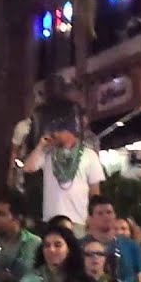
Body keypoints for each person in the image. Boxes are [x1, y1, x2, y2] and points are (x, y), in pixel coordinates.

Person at [24, 97, 105, 235]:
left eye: (54, 131)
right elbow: (28, 168)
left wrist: (94, 220)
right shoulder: (48, 154)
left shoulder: (89, 155)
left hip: (79, 223)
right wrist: (41, 145)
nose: (51, 134)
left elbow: (95, 193)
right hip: (51, 221)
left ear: (67, 130)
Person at [84, 196, 141, 282]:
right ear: (90, 218)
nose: (106, 217)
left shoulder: (131, 246)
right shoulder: (81, 246)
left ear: (115, 216)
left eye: (109, 212)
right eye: (100, 213)